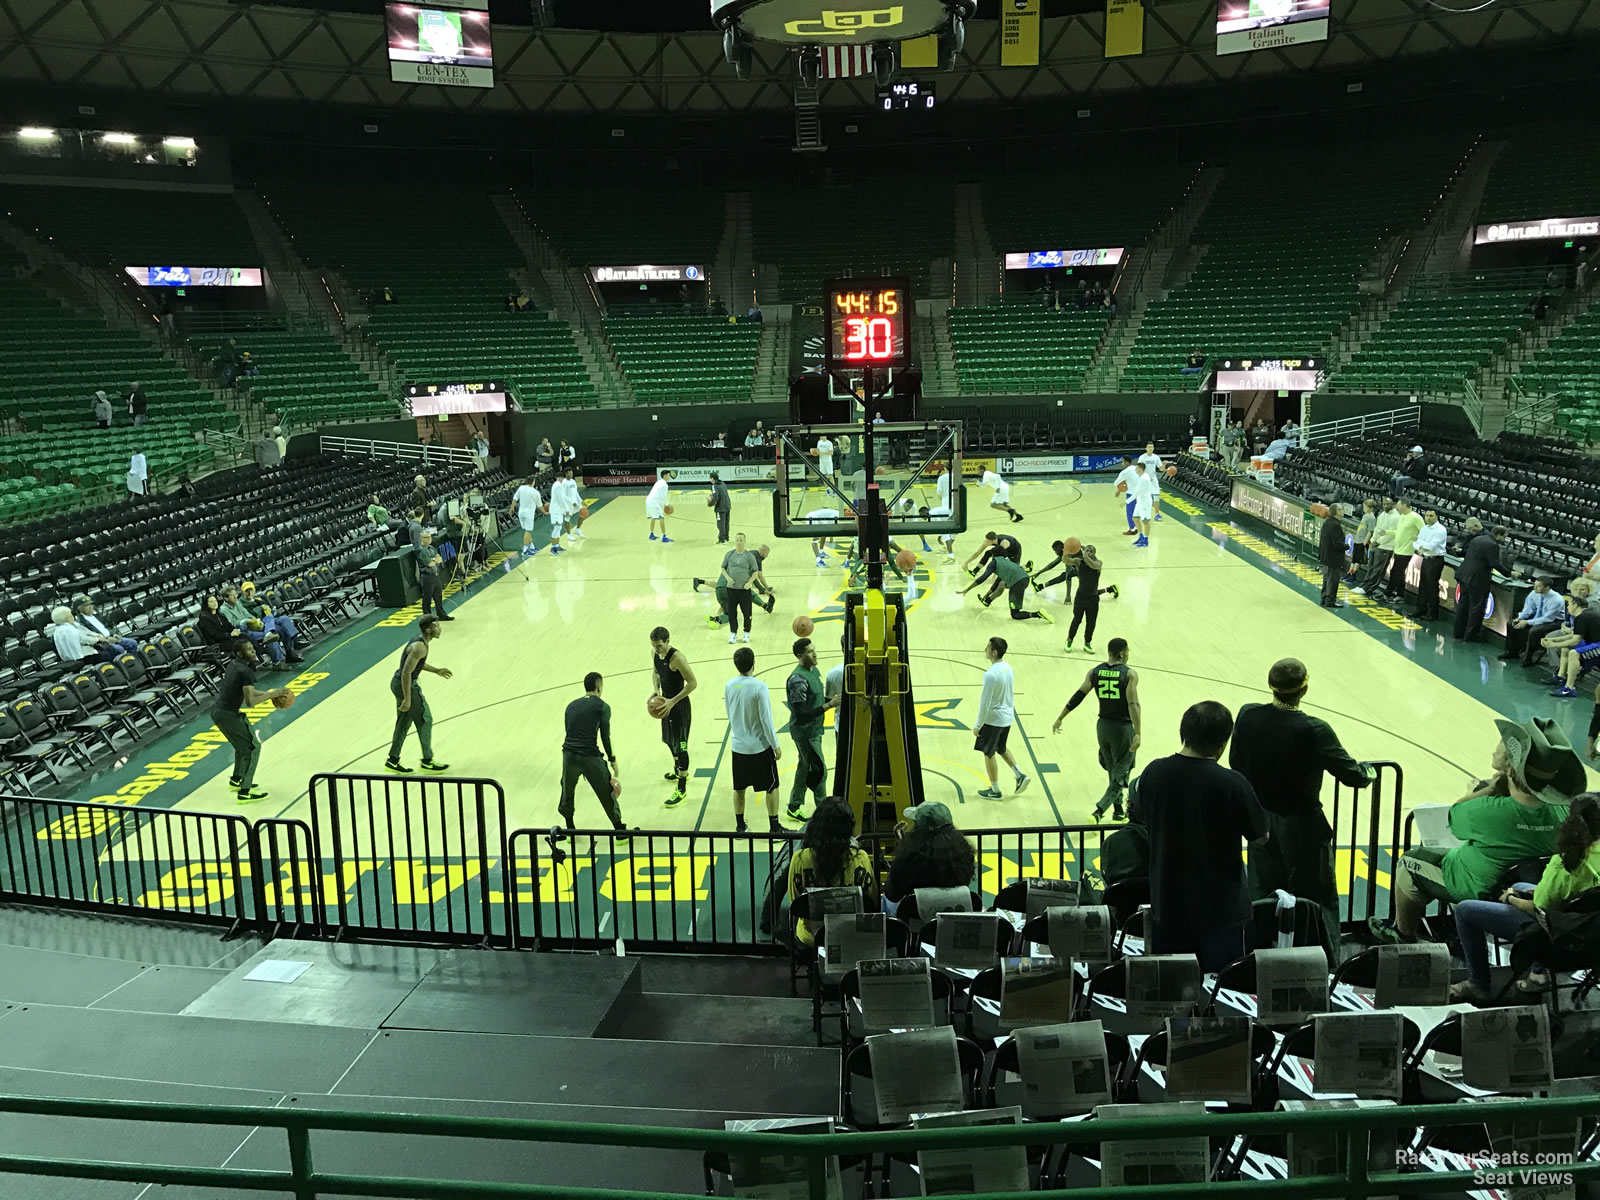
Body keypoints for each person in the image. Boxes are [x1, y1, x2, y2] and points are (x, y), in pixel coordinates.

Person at [1370, 717, 1579, 945]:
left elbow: (1454, 817)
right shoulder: (1564, 811)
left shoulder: (1490, 810)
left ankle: (1403, 935)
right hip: (1530, 889)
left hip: (1480, 887)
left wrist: (1488, 790)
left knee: (1409, 864)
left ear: (1511, 766)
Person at [1230, 658, 1373, 957]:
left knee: (1263, 893)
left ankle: (1258, 957)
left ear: (1270, 685)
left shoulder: (1247, 715)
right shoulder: (1314, 729)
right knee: (1316, 897)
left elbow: (1235, 762)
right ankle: (1327, 961)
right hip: (1302, 826)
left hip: (1259, 820)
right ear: (1304, 689)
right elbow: (1352, 775)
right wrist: (1368, 772)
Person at [1130, 701, 1269, 971]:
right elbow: (1260, 836)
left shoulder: (1153, 773)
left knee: (1174, 989)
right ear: (1223, 742)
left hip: (1168, 906)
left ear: (1184, 732)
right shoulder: (1232, 783)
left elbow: (1140, 816)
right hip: (1222, 910)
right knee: (1223, 992)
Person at [1449, 793, 1600, 1003]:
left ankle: (1478, 984)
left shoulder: (1565, 864)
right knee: (1522, 886)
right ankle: (1537, 974)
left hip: (1559, 937)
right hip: (1592, 935)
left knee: (1464, 910)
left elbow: (1539, 909)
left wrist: (1512, 898)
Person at [1053, 636, 1141, 822]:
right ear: (1122, 653)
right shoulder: (1129, 674)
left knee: (1112, 768)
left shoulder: (1095, 672)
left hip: (1102, 727)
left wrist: (1061, 717)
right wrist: (1138, 732)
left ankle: (1118, 812)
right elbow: (1133, 703)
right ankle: (1099, 811)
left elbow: (1079, 695)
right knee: (1122, 771)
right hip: (1122, 727)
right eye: (1128, 651)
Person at [787, 796, 878, 946]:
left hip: (812, 938)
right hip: (852, 935)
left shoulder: (800, 859)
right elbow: (871, 900)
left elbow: (795, 901)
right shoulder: (861, 859)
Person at [210, 639, 290, 804]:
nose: (253, 651)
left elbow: (250, 693)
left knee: (242, 747)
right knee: (253, 747)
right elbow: (251, 702)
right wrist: (273, 694)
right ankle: (245, 791)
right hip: (227, 714)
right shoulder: (245, 671)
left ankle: (237, 780)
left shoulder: (234, 664)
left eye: (253, 648)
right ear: (240, 653)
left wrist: (270, 693)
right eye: (249, 650)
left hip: (219, 711)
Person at [559, 672, 632, 837]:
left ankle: (569, 828)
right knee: (606, 791)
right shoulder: (603, 707)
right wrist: (612, 759)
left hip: (569, 754)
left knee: (567, 790)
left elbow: (569, 731)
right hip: (589, 756)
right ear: (599, 687)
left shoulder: (570, 705)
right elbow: (605, 737)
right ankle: (619, 830)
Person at [724, 646, 782, 833]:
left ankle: (740, 827)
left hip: (738, 746)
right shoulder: (760, 687)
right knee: (772, 786)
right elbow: (766, 720)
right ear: (753, 663)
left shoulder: (730, 685)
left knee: (739, 788)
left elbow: (729, 714)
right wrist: (775, 745)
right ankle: (774, 827)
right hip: (759, 747)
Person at [640, 626, 698, 809]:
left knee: (681, 747)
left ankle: (682, 789)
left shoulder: (677, 658)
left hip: (679, 706)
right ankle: (678, 769)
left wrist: (673, 701)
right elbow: (656, 672)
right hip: (665, 704)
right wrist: (656, 690)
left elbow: (693, 683)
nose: (657, 649)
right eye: (654, 646)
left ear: (667, 641)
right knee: (669, 741)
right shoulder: (655, 654)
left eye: (659, 646)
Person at [385, 615, 451, 775]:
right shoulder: (419, 647)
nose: (440, 629)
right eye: (437, 626)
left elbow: (417, 664)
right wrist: (408, 699)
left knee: (403, 722)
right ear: (429, 629)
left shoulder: (421, 642)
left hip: (398, 683)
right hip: (405, 685)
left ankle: (392, 760)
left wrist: (436, 670)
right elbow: (407, 673)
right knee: (425, 719)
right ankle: (427, 761)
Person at [883, 802, 976, 908]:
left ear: (918, 830)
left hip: (914, 921)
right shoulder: (964, 855)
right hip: (953, 921)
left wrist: (903, 849)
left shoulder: (907, 860)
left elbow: (892, 895)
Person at [786, 637, 837, 821]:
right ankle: (824, 813)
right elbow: (801, 713)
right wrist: (829, 705)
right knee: (819, 769)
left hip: (814, 729)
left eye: (814, 650)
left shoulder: (814, 671)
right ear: (800, 656)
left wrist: (830, 702)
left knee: (805, 766)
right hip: (805, 732)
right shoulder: (797, 680)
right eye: (809, 652)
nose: (814, 654)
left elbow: (814, 699)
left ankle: (794, 805)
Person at [974, 636, 1029, 800]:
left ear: (994, 652)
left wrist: (978, 725)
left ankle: (995, 790)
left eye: (988, 647)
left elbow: (985, 703)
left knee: (988, 753)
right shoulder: (1007, 668)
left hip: (993, 719)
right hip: (1007, 716)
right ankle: (1019, 775)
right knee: (1001, 747)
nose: (985, 649)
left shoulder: (990, 675)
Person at [1455, 524, 1513, 642]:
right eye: (1504, 537)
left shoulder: (1477, 539)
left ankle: (1458, 632)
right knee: (1476, 608)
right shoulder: (1492, 545)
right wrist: (1509, 573)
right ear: (1498, 535)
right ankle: (1470, 636)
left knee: (1463, 605)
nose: (1504, 540)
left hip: (1464, 574)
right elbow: (1494, 563)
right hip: (1477, 580)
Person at [1500, 577, 1566, 667]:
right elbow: (1528, 609)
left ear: (1547, 588)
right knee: (1511, 624)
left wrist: (1527, 622)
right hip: (1537, 617)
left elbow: (1547, 618)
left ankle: (1527, 658)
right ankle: (1512, 651)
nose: (1535, 588)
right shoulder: (1534, 593)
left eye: (1538, 586)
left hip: (1554, 622)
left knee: (1534, 631)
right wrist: (1521, 618)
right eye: (1535, 585)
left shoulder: (1557, 600)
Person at [716, 532, 768, 645]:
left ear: (744, 541)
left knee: (747, 613)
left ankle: (746, 633)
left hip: (744, 590)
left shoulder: (749, 556)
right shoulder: (729, 555)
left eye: (741, 540)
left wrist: (749, 583)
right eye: (737, 540)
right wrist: (728, 578)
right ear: (735, 541)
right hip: (731, 590)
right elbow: (723, 568)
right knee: (732, 613)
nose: (739, 542)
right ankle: (733, 633)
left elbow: (755, 572)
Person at [1549, 591, 1600, 698]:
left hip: (1598, 645)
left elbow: (1575, 641)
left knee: (1574, 653)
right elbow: (1574, 634)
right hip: (1593, 643)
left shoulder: (1582, 617)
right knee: (1566, 647)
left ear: (1576, 605)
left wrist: (1552, 645)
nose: (1567, 608)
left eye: (1569, 605)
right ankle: (1561, 677)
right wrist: (1555, 640)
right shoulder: (1586, 614)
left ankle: (1569, 688)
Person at [238, 581, 307, 658]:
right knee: (281, 629)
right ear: (243, 592)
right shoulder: (241, 604)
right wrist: (261, 609)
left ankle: (295, 641)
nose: (249, 592)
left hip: (269, 620)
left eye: (251, 590)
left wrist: (272, 611)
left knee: (284, 619)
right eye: (247, 591)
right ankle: (287, 654)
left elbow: (268, 611)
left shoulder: (257, 600)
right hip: (258, 625)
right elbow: (250, 617)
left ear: (254, 590)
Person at [220, 585, 286, 666]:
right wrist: (247, 621)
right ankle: (278, 662)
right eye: (233, 596)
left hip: (253, 625)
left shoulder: (238, 604)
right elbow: (233, 623)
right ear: (226, 598)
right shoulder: (223, 610)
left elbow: (248, 614)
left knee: (269, 617)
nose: (236, 597)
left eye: (236, 595)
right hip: (245, 630)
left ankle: (268, 632)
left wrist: (255, 621)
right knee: (270, 637)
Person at [1353, 496, 1397, 597]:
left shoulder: (1395, 517)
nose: (1386, 506)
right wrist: (1373, 540)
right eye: (1384, 504)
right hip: (1376, 544)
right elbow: (1377, 529)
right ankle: (1364, 585)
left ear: (1392, 504)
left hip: (1386, 547)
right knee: (1371, 567)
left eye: (1388, 504)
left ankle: (1369, 588)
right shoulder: (1382, 514)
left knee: (1378, 569)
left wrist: (1379, 542)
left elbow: (1392, 533)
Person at [1410, 510, 1449, 622]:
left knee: (1432, 587)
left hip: (1435, 560)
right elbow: (1415, 544)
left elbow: (1431, 546)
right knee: (1422, 585)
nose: (1428, 518)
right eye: (1426, 515)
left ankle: (1432, 613)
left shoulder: (1440, 530)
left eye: (1431, 516)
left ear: (1437, 516)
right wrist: (1420, 545)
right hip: (1426, 559)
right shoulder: (1424, 528)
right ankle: (1420, 609)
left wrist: (1420, 543)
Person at [1383, 499, 1423, 605]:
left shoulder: (1415, 517)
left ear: (1405, 505)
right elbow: (1399, 532)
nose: (1397, 507)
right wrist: (1386, 532)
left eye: (1399, 505)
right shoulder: (1402, 516)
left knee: (1395, 572)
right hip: (1398, 549)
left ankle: (1387, 593)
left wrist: (1418, 540)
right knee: (1399, 573)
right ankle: (1400, 595)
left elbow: (1424, 531)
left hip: (1406, 551)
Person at [72, 594, 138, 658]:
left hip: (111, 637)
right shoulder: (81, 622)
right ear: (80, 608)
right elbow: (89, 636)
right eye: (86, 605)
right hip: (102, 643)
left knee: (132, 643)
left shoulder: (96, 615)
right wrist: (107, 639)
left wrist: (114, 634)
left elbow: (106, 627)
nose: (90, 607)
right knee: (119, 649)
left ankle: (132, 662)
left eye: (91, 604)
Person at [1318, 502, 1348, 608]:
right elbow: (1337, 544)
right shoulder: (1336, 525)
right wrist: (1347, 546)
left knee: (1326, 579)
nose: (1343, 511)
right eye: (1341, 509)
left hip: (1325, 556)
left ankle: (1324, 598)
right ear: (1337, 512)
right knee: (1333, 580)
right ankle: (1330, 601)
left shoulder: (1327, 523)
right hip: (1333, 558)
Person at [414, 529, 448, 620]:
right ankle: (428, 617)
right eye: (427, 537)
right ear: (422, 538)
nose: (429, 539)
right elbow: (430, 564)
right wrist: (434, 559)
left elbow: (439, 559)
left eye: (430, 537)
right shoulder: (421, 550)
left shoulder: (432, 548)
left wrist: (433, 559)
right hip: (427, 577)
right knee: (427, 598)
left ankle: (441, 614)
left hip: (435, 575)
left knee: (438, 596)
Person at [507, 474, 543, 559]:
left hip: (521, 513)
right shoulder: (536, 492)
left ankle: (532, 547)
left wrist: (512, 508)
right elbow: (540, 505)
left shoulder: (521, 488)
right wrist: (545, 512)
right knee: (528, 531)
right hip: (529, 514)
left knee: (527, 530)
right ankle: (525, 550)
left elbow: (515, 498)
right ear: (533, 482)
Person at [1128, 461, 1157, 548]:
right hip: (1140, 501)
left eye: (1136, 468)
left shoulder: (1144, 478)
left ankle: (1146, 540)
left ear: (1140, 469)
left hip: (1145, 502)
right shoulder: (1142, 476)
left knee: (1145, 521)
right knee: (1135, 518)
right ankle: (1141, 537)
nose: (1135, 470)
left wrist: (1127, 501)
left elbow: (1137, 492)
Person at [1349, 498, 1376, 581]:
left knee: (1358, 559)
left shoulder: (1372, 518)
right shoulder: (1364, 515)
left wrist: (1365, 541)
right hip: (1358, 538)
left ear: (1371, 508)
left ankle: (1353, 574)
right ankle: (1349, 572)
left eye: (1366, 507)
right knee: (1354, 558)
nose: (1364, 509)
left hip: (1362, 541)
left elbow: (1370, 531)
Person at [1136, 443, 1164, 522]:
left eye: (1152, 447)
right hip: (1144, 480)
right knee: (1144, 498)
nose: (1150, 448)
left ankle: (1157, 514)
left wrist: (1164, 466)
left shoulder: (1156, 457)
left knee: (1156, 497)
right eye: (1149, 447)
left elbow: (1161, 468)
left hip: (1153, 480)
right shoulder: (1142, 457)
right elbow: (1138, 468)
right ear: (1146, 448)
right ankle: (1142, 513)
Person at [1113, 455, 1140, 536]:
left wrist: (1123, 483)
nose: (1122, 463)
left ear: (1125, 461)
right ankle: (1138, 527)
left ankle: (1132, 529)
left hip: (1132, 494)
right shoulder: (1137, 468)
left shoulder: (1125, 472)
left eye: (1122, 461)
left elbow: (1116, 483)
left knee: (1130, 513)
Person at [646, 469, 675, 543]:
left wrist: (664, 504)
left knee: (653, 517)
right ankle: (664, 537)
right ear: (665, 475)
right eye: (669, 475)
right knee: (661, 518)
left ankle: (651, 534)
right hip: (654, 503)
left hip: (648, 501)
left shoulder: (659, 482)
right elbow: (663, 496)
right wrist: (667, 505)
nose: (670, 477)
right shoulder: (664, 484)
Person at [709, 471, 732, 544]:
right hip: (727, 506)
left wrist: (710, 503)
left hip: (720, 507)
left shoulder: (714, 485)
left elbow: (716, 497)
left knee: (720, 523)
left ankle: (721, 540)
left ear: (712, 478)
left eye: (710, 478)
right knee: (726, 523)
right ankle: (726, 538)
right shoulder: (723, 483)